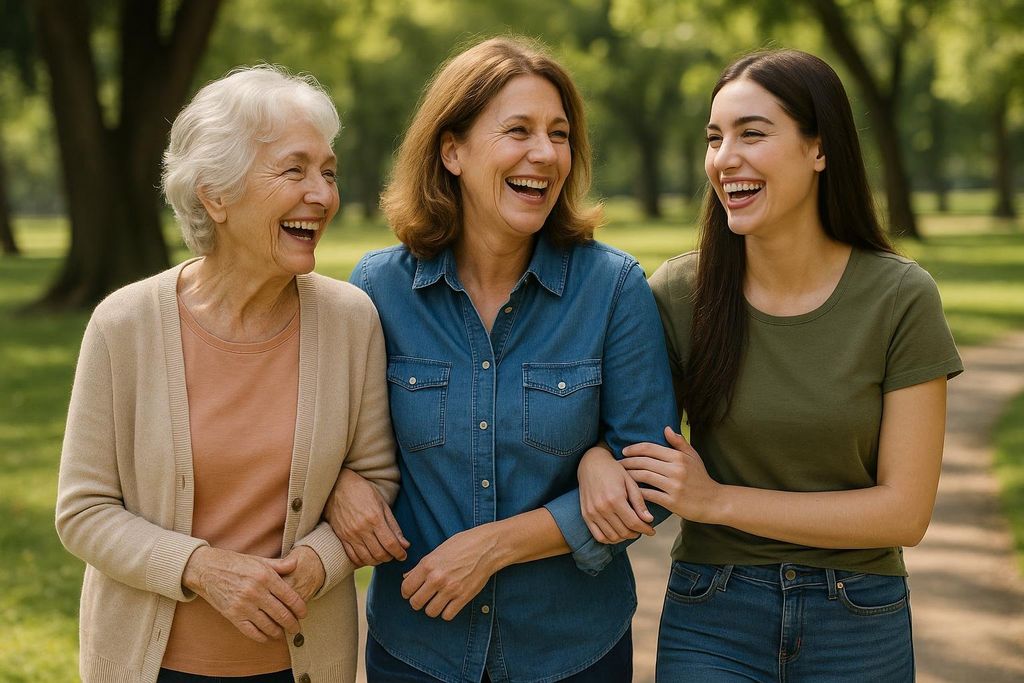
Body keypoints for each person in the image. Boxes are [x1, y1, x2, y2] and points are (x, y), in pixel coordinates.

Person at [582, 49, 964, 681]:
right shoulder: (679, 293)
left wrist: (719, 501)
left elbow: (904, 512)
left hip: (859, 616)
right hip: (713, 613)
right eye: (714, 138)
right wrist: (598, 457)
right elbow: (614, 431)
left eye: (752, 134)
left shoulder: (901, 298)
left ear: (819, 149)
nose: (724, 157)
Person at [327, 37, 678, 682]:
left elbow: (650, 487)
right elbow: (329, 437)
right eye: (518, 130)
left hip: (573, 651)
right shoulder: (377, 290)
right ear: (451, 149)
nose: (545, 154)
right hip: (416, 649)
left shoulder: (613, 288)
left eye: (560, 133)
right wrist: (340, 483)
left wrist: (491, 548)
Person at [55, 65, 398, 683]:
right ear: (215, 192)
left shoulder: (352, 321)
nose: (321, 194)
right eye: (294, 170)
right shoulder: (123, 324)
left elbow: (378, 480)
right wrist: (203, 569)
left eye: (328, 172)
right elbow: (84, 511)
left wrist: (319, 562)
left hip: (301, 665)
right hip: (149, 666)